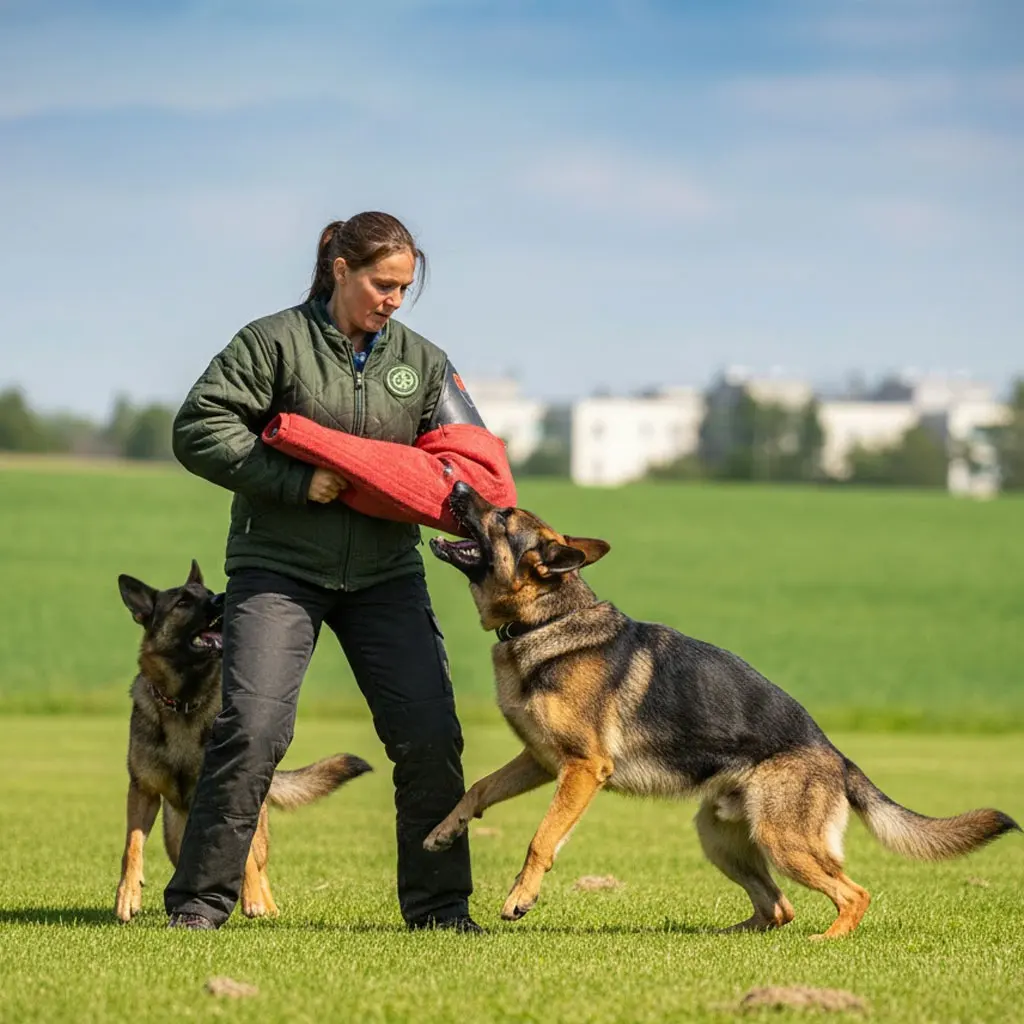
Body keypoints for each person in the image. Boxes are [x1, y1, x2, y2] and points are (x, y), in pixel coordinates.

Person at [164, 212, 489, 932]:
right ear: (340, 269)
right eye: (382, 283)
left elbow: (473, 461)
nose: (393, 301)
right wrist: (291, 480)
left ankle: (440, 910)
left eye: (405, 288)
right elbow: (199, 426)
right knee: (251, 729)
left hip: (385, 574)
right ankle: (200, 904)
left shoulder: (423, 362)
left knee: (431, 733)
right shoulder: (272, 343)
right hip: (279, 567)